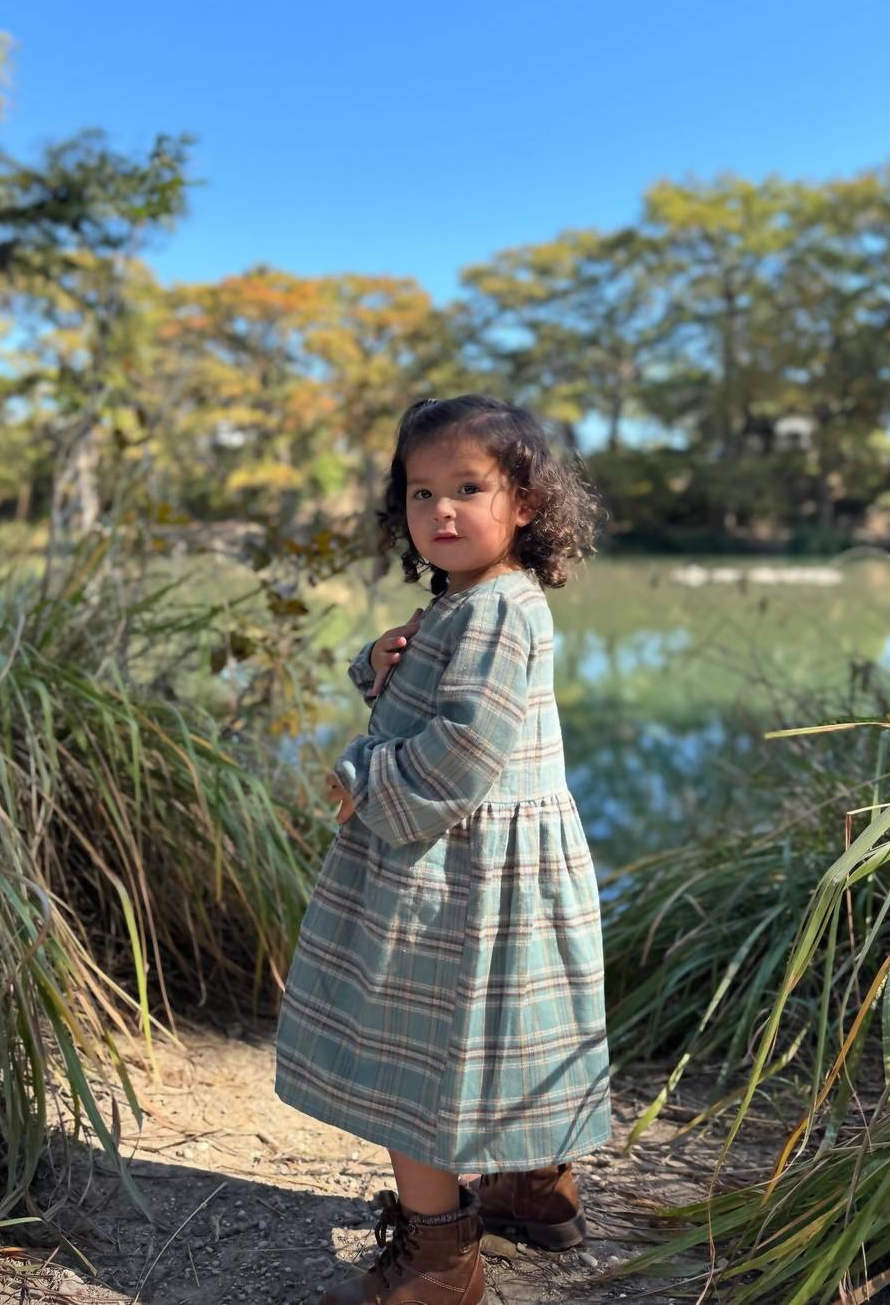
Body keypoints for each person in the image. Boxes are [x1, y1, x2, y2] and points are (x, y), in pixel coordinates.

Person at [273, 394, 613, 1305]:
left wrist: (362, 776)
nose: (441, 511)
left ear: (526, 503)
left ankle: (437, 1261)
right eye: (421, 493)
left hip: (452, 870)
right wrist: (381, 663)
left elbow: (461, 751)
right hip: (494, 867)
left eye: (468, 488)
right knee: (508, 1032)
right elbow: (439, 704)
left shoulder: (496, 610)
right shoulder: (477, 601)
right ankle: (533, 1190)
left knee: (416, 1055)